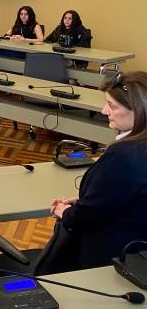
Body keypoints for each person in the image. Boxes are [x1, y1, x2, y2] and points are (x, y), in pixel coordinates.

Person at [50, 72, 147, 269]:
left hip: (112, 259)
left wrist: (66, 212)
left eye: (112, 106)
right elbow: (134, 196)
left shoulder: (125, 156)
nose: (104, 111)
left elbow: (89, 218)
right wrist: (88, 199)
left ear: (139, 110)